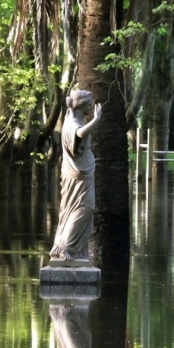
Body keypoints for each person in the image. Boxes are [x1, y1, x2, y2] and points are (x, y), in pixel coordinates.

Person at [50, 89, 102, 261]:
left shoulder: (73, 120)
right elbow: (79, 133)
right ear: (81, 106)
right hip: (79, 175)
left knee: (79, 208)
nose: (91, 107)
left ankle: (75, 249)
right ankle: (65, 247)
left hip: (82, 173)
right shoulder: (72, 123)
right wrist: (96, 120)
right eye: (89, 104)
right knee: (84, 208)